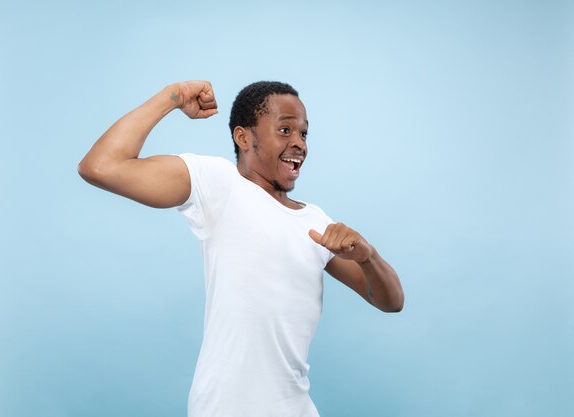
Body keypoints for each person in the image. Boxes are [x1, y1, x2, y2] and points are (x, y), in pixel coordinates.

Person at [78, 80, 404, 417]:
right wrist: (171, 97)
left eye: (303, 134)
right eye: (285, 130)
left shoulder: (315, 222)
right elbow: (100, 167)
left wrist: (368, 257)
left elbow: (391, 301)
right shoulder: (219, 183)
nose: (298, 144)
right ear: (243, 137)